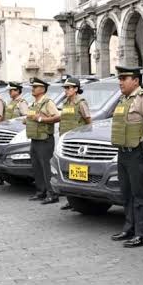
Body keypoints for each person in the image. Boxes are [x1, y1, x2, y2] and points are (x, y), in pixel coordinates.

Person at [109, 66, 143, 248]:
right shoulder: (124, 100)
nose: (120, 82)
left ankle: (142, 234)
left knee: (140, 195)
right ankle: (129, 228)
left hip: (138, 153)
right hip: (124, 152)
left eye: (124, 78)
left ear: (136, 80)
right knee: (127, 194)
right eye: (119, 78)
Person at [58, 77, 92, 210]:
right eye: (65, 88)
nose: (66, 90)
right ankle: (71, 201)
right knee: (69, 172)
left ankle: (82, 201)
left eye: (68, 88)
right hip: (66, 143)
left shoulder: (81, 103)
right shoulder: (66, 103)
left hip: (78, 144)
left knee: (80, 173)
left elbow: (89, 121)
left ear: (76, 89)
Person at [25, 77, 61, 204]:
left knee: (46, 167)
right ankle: (41, 192)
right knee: (37, 167)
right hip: (35, 139)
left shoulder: (48, 102)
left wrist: (41, 119)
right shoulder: (34, 103)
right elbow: (32, 117)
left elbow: (57, 117)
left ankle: (52, 194)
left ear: (42, 89)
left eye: (35, 87)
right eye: (32, 87)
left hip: (45, 139)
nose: (33, 89)